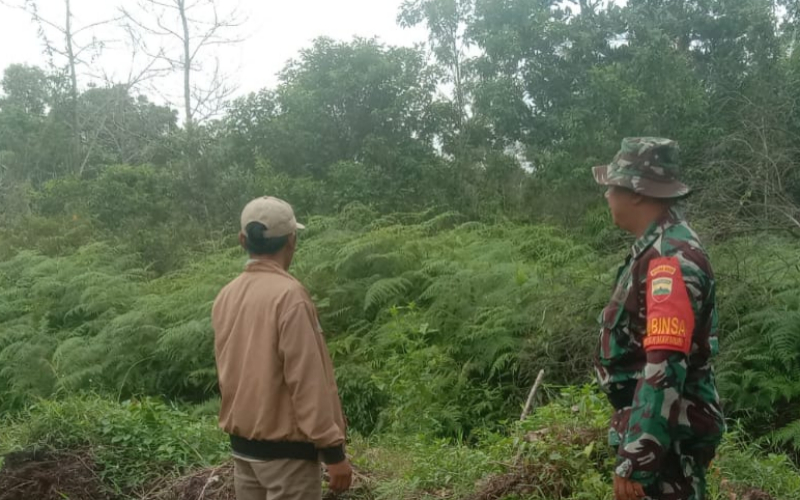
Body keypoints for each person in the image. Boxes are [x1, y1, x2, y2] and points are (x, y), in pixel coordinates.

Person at [592, 138, 725, 500]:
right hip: (664, 436)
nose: (606, 196)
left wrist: (638, 456)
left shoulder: (669, 260)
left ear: (636, 192)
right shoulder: (656, 249)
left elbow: (665, 364)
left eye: (612, 187)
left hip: (665, 444)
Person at [212, 196, 353, 500]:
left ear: (242, 240)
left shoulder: (226, 296)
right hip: (288, 461)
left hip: (243, 453)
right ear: (292, 240)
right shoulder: (289, 296)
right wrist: (333, 452)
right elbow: (306, 380)